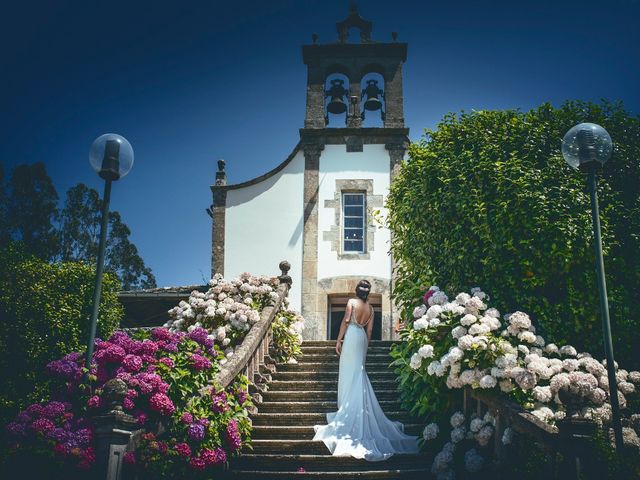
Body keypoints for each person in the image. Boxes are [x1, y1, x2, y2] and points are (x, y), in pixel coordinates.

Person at [312, 280, 419, 461]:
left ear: (356, 291)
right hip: (361, 337)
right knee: (359, 371)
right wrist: (365, 348)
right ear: (368, 293)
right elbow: (369, 332)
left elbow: (346, 321)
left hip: (352, 335)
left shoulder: (351, 303)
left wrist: (339, 340)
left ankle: (345, 406)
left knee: (348, 372)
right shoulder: (371, 309)